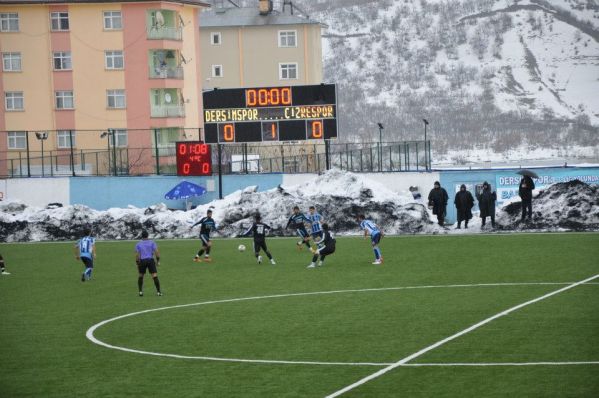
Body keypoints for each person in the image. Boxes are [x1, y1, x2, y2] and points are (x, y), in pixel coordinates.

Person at [135, 230, 162, 296]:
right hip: (150, 260)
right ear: (147, 235)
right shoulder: (152, 243)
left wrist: (137, 263)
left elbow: (137, 255)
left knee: (141, 275)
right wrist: (158, 261)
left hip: (142, 261)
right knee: (154, 276)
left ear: (142, 236)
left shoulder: (138, 244)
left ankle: (140, 292)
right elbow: (157, 252)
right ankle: (158, 292)